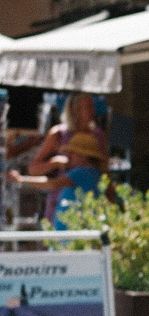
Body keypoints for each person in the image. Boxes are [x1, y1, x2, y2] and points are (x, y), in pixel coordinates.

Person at [13, 93, 110, 224]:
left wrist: (21, 180)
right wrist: (54, 164)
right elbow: (33, 169)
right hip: (60, 203)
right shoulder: (58, 134)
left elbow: (105, 173)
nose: (93, 111)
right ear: (75, 110)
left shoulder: (98, 136)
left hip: (86, 206)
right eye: (88, 107)